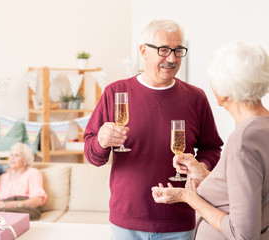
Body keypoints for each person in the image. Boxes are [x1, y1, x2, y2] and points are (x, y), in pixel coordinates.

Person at [83, 19, 223, 240]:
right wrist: (101, 141)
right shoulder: (115, 92)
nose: (172, 58)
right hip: (126, 222)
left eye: (178, 50)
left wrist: (200, 166)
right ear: (144, 51)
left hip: (179, 220)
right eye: (164, 50)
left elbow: (212, 147)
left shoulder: (196, 97)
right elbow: (93, 156)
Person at [151, 41, 269, 239]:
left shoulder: (243, 140)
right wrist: (204, 174)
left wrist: (186, 196)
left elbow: (243, 234)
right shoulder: (262, 128)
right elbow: (251, 193)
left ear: (224, 90)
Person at [0, 142, 47, 220]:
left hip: (25, 208)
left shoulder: (32, 173)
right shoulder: (4, 176)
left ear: (25, 160)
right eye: (11, 155)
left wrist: (11, 205)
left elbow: (38, 201)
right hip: (4, 209)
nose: (12, 158)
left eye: (16, 155)